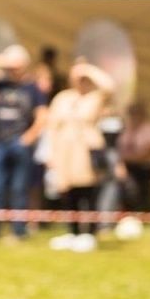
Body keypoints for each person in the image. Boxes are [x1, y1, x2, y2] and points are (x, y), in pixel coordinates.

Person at [0, 45, 47, 242]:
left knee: (19, 188)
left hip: (20, 142)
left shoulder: (33, 88)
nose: (12, 70)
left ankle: (18, 232)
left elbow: (42, 116)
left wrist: (29, 137)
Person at [43, 60, 116, 251]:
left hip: (87, 150)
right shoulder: (62, 98)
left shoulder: (96, 97)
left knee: (89, 193)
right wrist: (50, 153)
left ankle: (89, 233)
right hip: (65, 152)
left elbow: (110, 86)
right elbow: (52, 128)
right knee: (68, 195)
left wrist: (89, 70)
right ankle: (73, 232)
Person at [115, 100, 150, 212]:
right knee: (129, 192)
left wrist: (132, 159)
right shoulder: (127, 128)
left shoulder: (149, 129)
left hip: (145, 168)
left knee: (144, 193)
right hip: (129, 166)